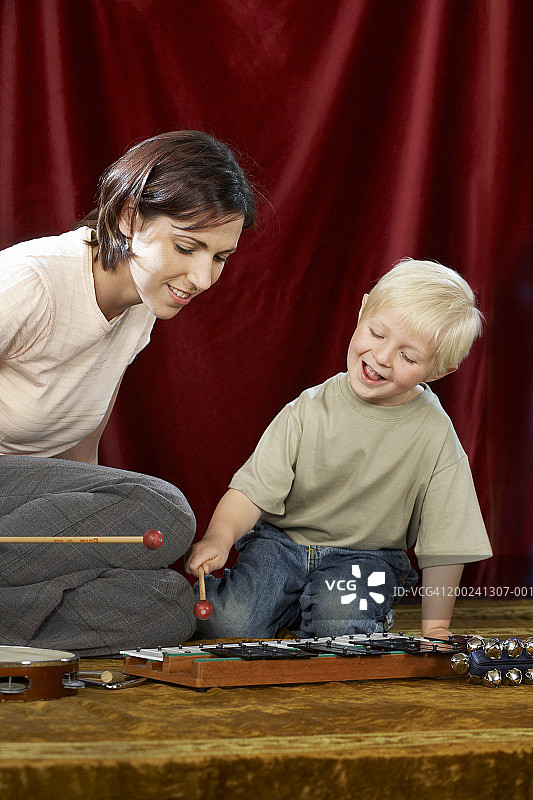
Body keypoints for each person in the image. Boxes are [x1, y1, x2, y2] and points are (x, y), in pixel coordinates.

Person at [0, 130, 255, 656]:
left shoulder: (139, 308)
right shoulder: (30, 283)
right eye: (187, 247)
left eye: (221, 257)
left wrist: (103, 531)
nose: (204, 278)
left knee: (165, 605)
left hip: (25, 519)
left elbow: (81, 460)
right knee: (164, 511)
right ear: (128, 218)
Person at [186, 259, 492, 640]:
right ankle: (287, 603)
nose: (381, 357)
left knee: (341, 631)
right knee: (227, 624)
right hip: (281, 545)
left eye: (408, 357)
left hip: (368, 556)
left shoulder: (435, 434)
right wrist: (220, 537)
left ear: (439, 370)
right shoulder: (308, 409)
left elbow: (449, 540)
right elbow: (251, 491)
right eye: (377, 334)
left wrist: (436, 627)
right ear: (363, 310)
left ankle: (321, 609)